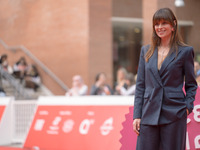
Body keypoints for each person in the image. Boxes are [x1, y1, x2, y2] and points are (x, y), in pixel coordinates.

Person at [133, 8, 197, 150]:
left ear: (173, 25)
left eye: (164, 23)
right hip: (148, 112)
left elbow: (191, 84)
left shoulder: (185, 51)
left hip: (174, 113)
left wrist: (187, 107)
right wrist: (137, 115)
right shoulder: (146, 51)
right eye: (156, 24)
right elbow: (140, 86)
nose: (160, 27)